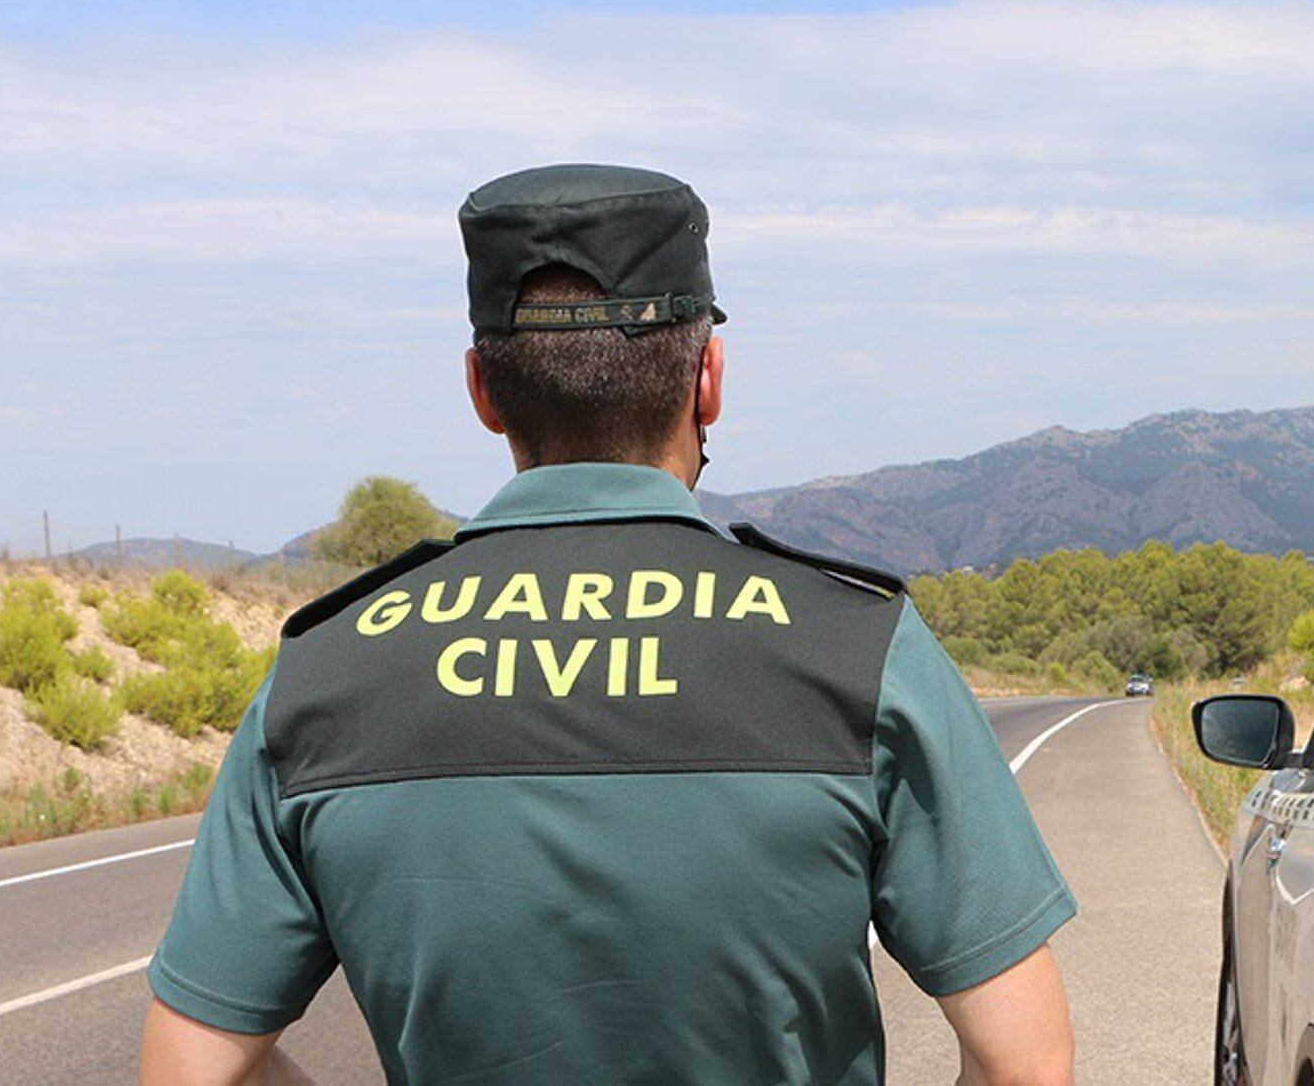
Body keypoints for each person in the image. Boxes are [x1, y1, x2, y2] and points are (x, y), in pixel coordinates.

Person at [138, 163, 1077, 1084]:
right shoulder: (857, 646)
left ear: (482, 389)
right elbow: (1025, 1063)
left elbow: (191, 1069)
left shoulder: (326, 671)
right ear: (708, 379)